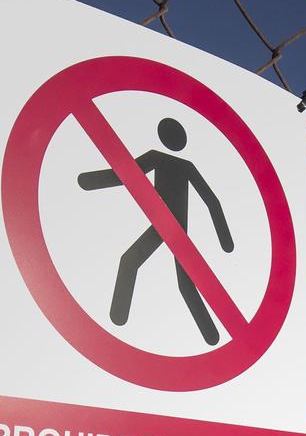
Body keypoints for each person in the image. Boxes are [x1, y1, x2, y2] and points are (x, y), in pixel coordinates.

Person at [77, 117, 234, 345]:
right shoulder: (177, 163)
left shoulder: (161, 158)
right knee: (182, 282)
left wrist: (89, 181)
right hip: (171, 225)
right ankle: (212, 335)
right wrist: (224, 240)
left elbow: (124, 175)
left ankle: (119, 318)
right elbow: (212, 202)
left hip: (169, 225)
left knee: (132, 262)